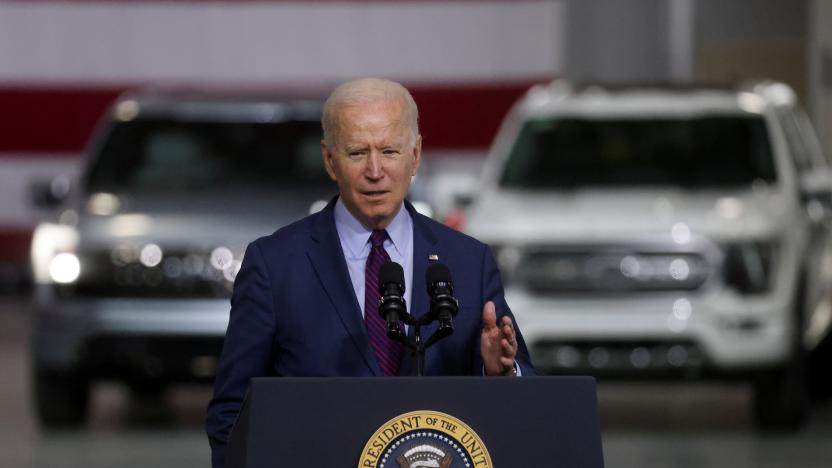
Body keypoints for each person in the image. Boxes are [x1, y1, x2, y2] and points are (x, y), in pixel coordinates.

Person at [205, 78, 535, 467]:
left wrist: (501, 373)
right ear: (330, 160)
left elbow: (523, 396)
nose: (375, 171)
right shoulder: (275, 265)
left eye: (390, 151)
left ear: (415, 156)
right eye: (358, 152)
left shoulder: (468, 261)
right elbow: (233, 414)